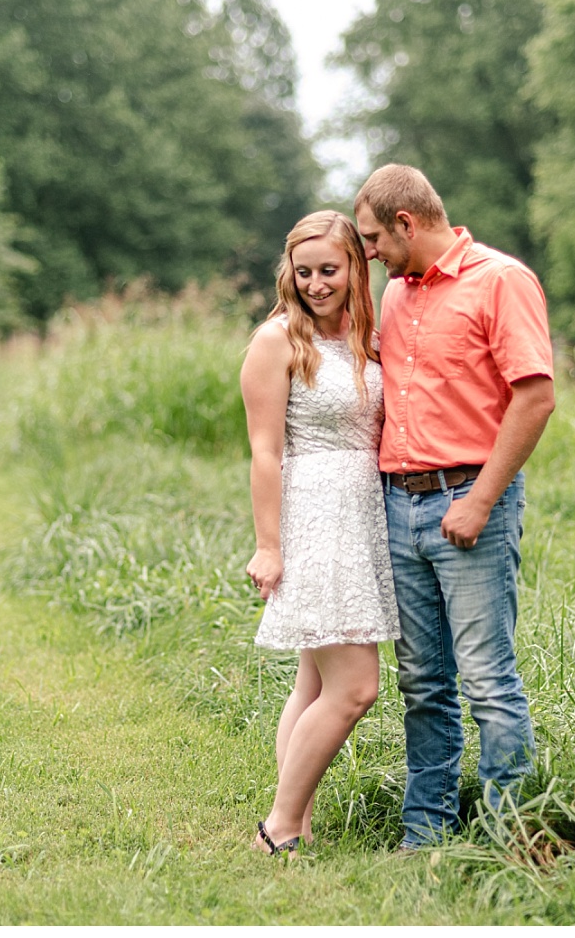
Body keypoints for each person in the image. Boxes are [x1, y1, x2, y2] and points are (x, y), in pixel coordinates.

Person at [353, 164, 555, 850]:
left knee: (488, 679)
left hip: (470, 506)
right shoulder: (395, 295)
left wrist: (481, 501)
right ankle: (426, 830)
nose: (371, 251)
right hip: (397, 507)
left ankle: (505, 834)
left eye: (375, 237)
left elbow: (535, 397)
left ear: (407, 222)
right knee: (422, 682)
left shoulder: (501, 279)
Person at [241, 210, 401, 857]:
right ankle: (278, 827)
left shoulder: (369, 334)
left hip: (365, 513)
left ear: (356, 268)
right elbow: (263, 452)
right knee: (356, 686)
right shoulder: (276, 340)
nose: (314, 283)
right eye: (303, 272)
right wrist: (269, 545)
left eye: (328, 270)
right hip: (316, 516)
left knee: (313, 682)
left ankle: (297, 820)